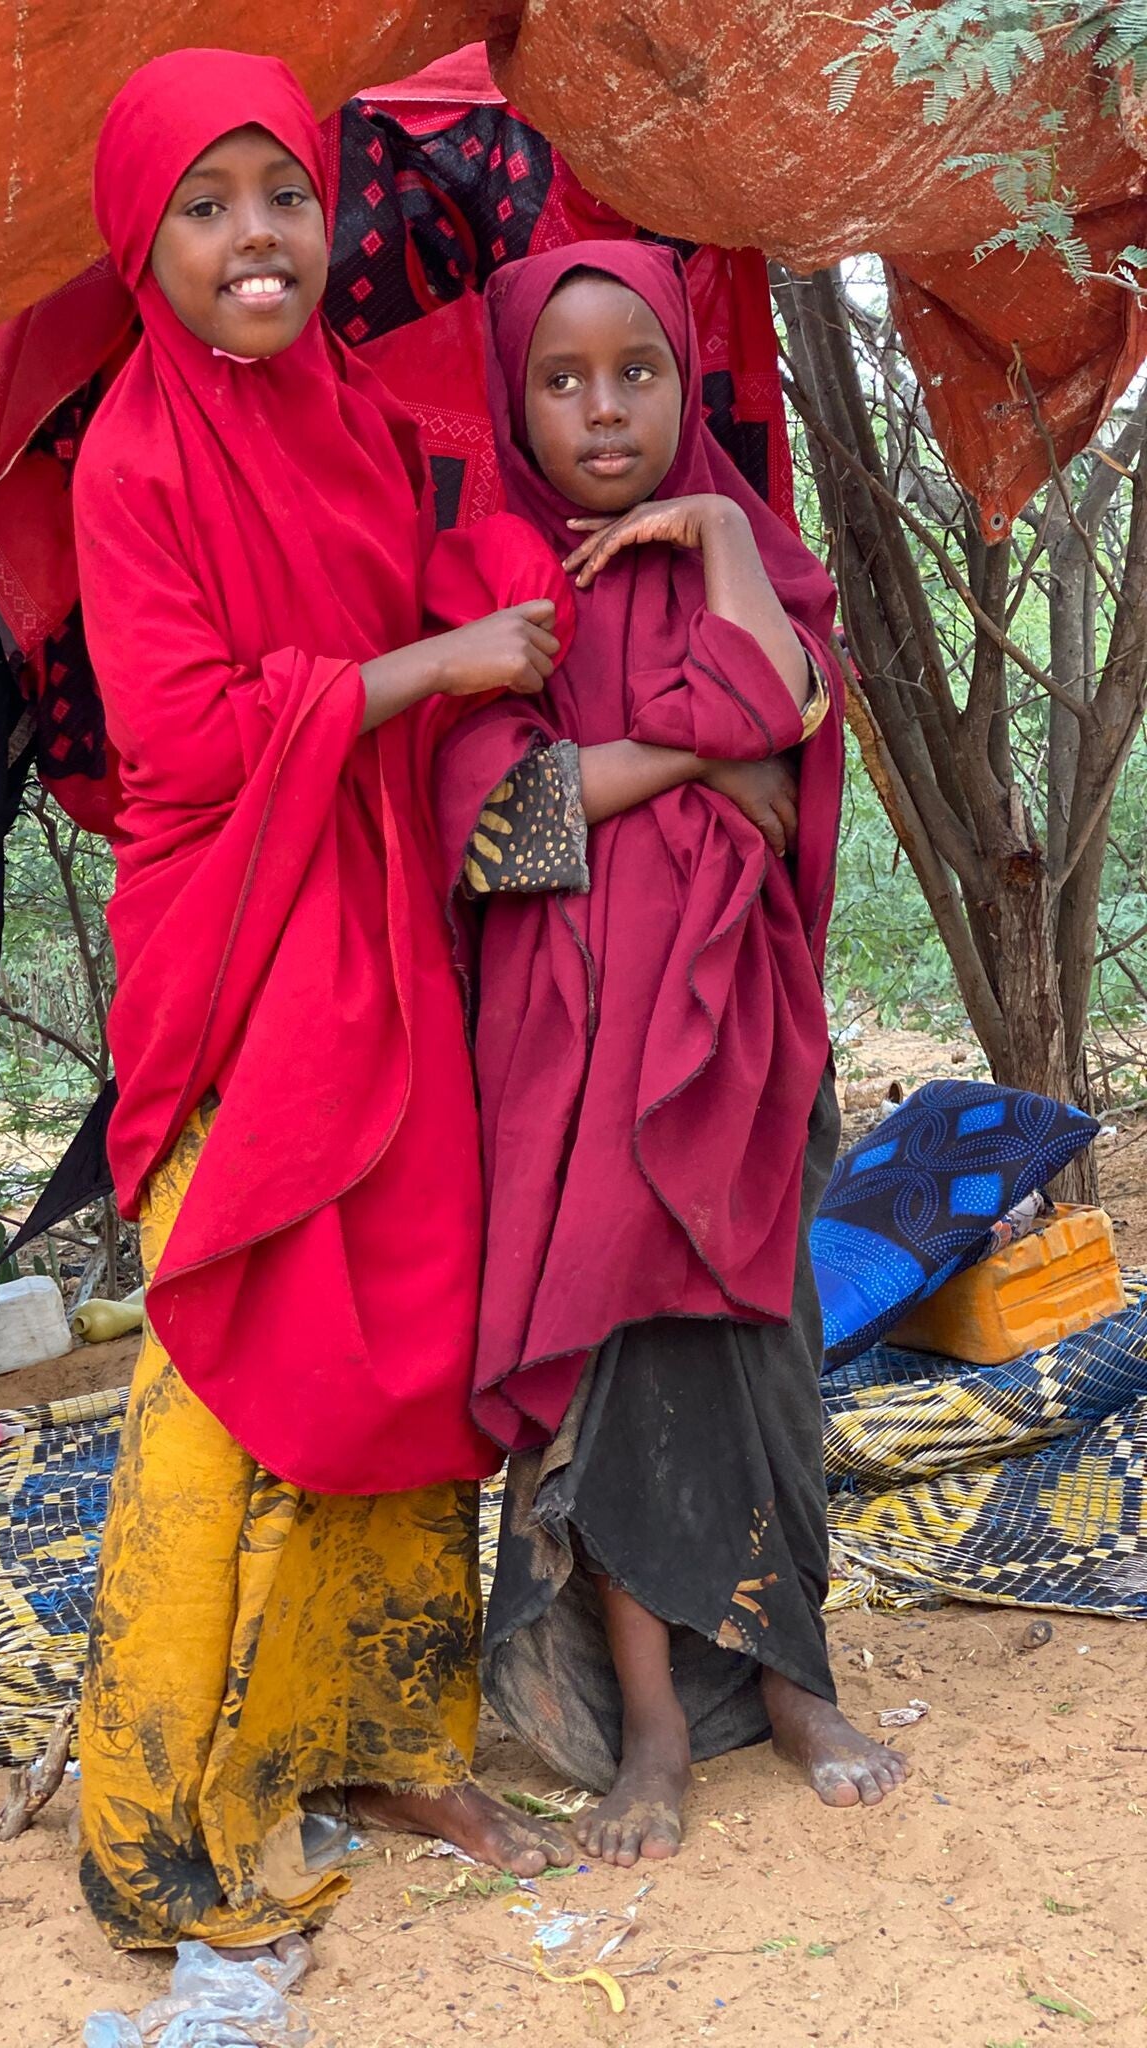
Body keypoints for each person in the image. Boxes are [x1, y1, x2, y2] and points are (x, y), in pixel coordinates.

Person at [70, 50, 576, 1955]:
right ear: (144, 243)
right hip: (241, 940)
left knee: (404, 1319)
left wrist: (494, 595)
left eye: (283, 192)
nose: (256, 238)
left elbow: (405, 591)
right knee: (226, 1353)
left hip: (375, 915)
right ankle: (145, 1819)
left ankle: (380, 1739)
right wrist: (437, 664)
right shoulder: (134, 457)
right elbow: (189, 738)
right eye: (203, 208)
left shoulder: (347, 404)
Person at [430, 241, 910, 1868]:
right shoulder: (495, 578)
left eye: (637, 372)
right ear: (515, 401)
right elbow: (506, 822)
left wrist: (716, 536)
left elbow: (781, 701)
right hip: (573, 1063)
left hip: (740, 1046)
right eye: (561, 381)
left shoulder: (750, 548)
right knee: (615, 1370)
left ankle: (796, 1682)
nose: (603, 410)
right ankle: (649, 1727)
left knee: (764, 1352)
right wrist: (691, 764)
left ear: (684, 382)